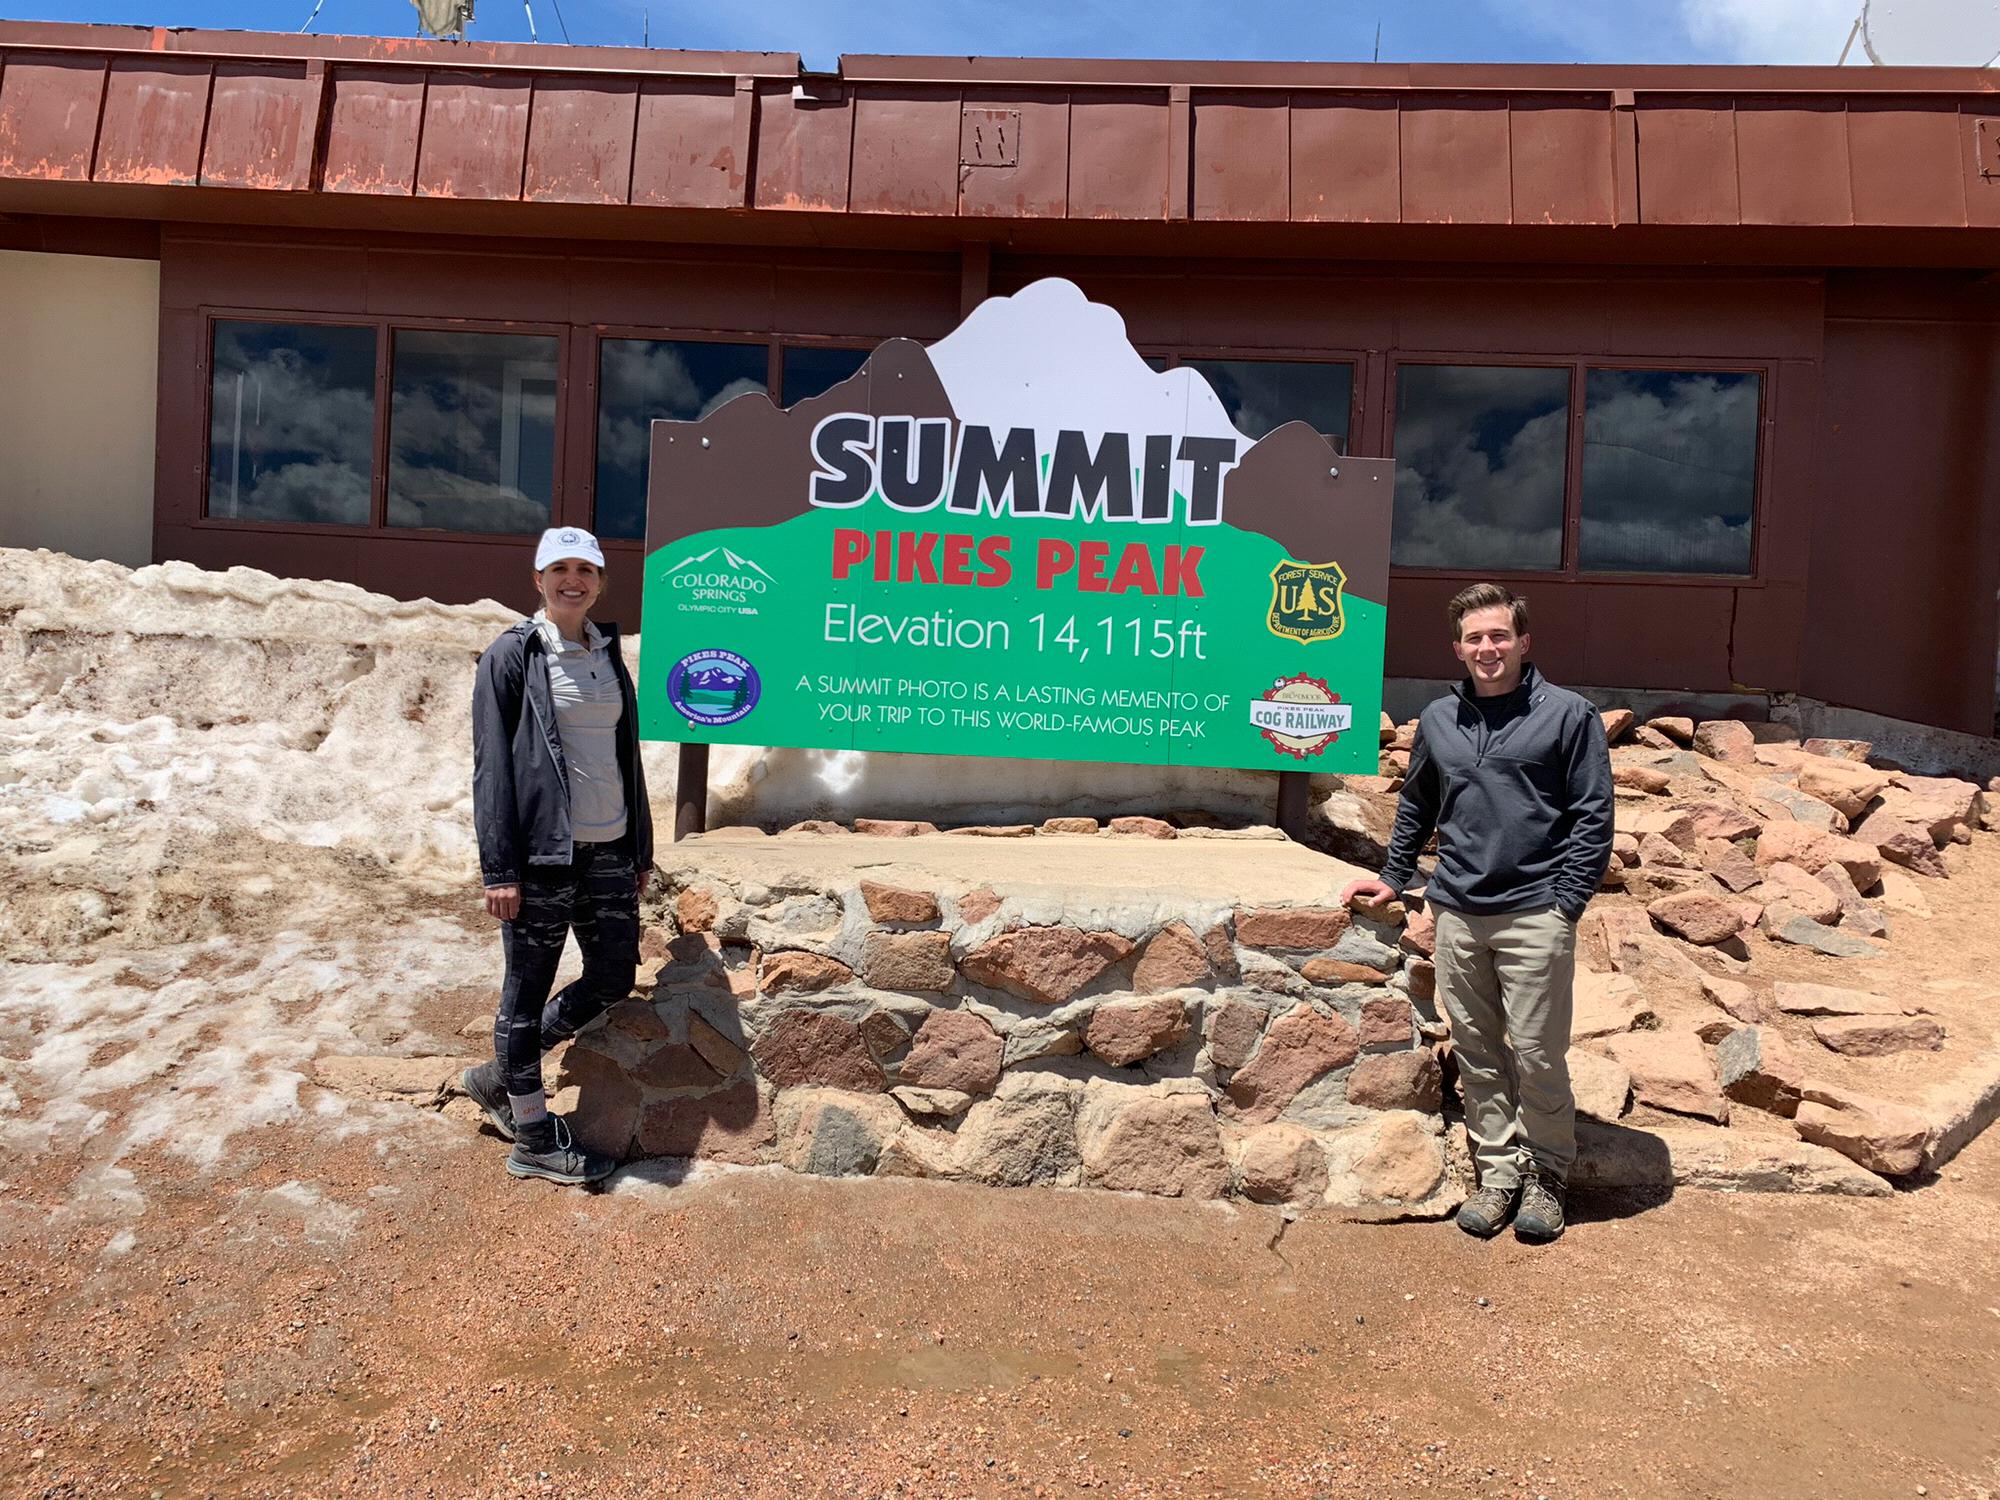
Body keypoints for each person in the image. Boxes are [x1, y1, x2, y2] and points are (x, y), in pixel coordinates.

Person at [1341, 582, 1612, 1243]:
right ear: (1457, 648)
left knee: (1537, 1054)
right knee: (1478, 1051)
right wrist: (1394, 877)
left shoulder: (1569, 715)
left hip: (1535, 910)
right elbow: (1418, 802)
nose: (1487, 648)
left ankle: (1547, 1175)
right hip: (1459, 911)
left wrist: (1567, 902)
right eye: (1474, 638)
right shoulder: (1440, 719)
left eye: (1499, 636)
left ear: (1523, 642)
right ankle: (1498, 1175)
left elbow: (1593, 815)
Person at [461, 526, 654, 1186]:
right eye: (560, 569)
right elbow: (492, 767)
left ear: (599, 582)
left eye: (586, 570)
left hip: (609, 849)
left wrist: (638, 849)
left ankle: (498, 1077)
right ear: (539, 580)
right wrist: (500, 870)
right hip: (543, 856)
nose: (574, 580)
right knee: (525, 994)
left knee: (612, 976)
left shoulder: (607, 653)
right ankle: (534, 1138)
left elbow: (623, 758)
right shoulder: (512, 655)